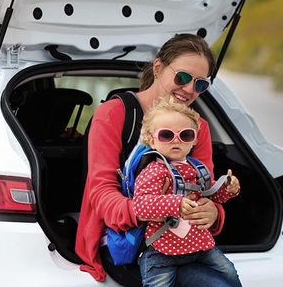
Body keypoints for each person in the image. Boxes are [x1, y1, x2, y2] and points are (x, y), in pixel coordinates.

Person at [76, 33, 228, 285]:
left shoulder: (197, 127)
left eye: (200, 84)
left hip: (183, 241)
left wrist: (214, 213)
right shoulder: (114, 114)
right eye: (183, 77)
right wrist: (153, 207)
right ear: (158, 67)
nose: (190, 89)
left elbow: (204, 191)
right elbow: (101, 194)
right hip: (127, 243)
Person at [133, 97, 242, 286]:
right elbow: (141, 206)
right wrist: (176, 204)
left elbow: (210, 195)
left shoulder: (197, 168)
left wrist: (227, 189)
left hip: (200, 246)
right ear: (151, 139)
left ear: (194, 141)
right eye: (166, 135)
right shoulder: (154, 171)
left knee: (230, 275)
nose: (176, 140)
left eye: (186, 135)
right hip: (162, 253)